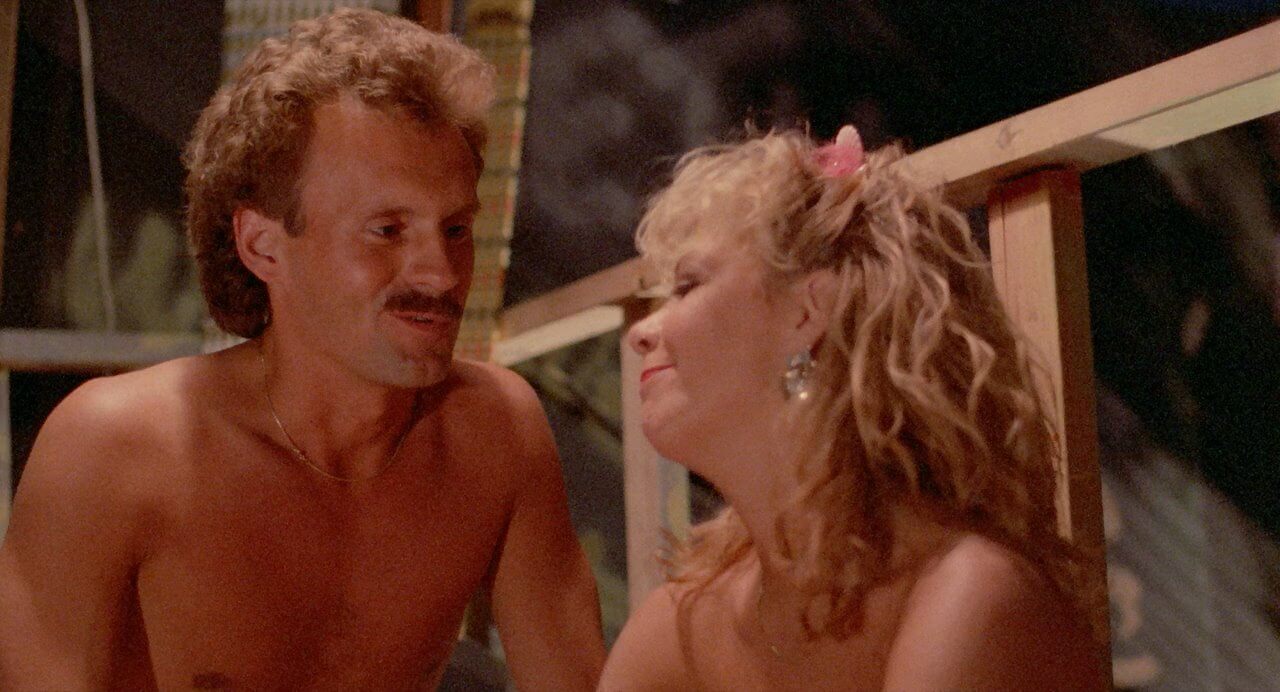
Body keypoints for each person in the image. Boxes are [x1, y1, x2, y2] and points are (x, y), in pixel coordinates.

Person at [0, 9, 604, 690]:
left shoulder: (496, 434)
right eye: (387, 230)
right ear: (263, 247)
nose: (440, 273)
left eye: (456, 229)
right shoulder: (114, 448)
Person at [599, 126, 1104, 690]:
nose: (642, 333)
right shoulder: (681, 621)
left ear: (806, 312)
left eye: (687, 285)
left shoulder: (970, 593)